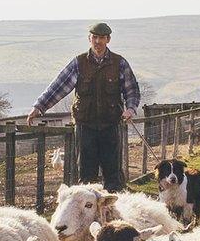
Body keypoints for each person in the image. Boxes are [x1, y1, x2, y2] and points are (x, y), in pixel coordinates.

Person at [26, 22, 138, 191]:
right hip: (85, 126)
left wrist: (130, 108)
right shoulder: (79, 63)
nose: (98, 42)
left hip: (110, 125)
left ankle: (112, 212)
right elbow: (59, 86)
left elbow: (132, 90)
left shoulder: (119, 63)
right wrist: (39, 107)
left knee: (113, 173)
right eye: (94, 37)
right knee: (86, 175)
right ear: (89, 39)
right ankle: (88, 214)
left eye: (101, 38)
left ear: (108, 39)